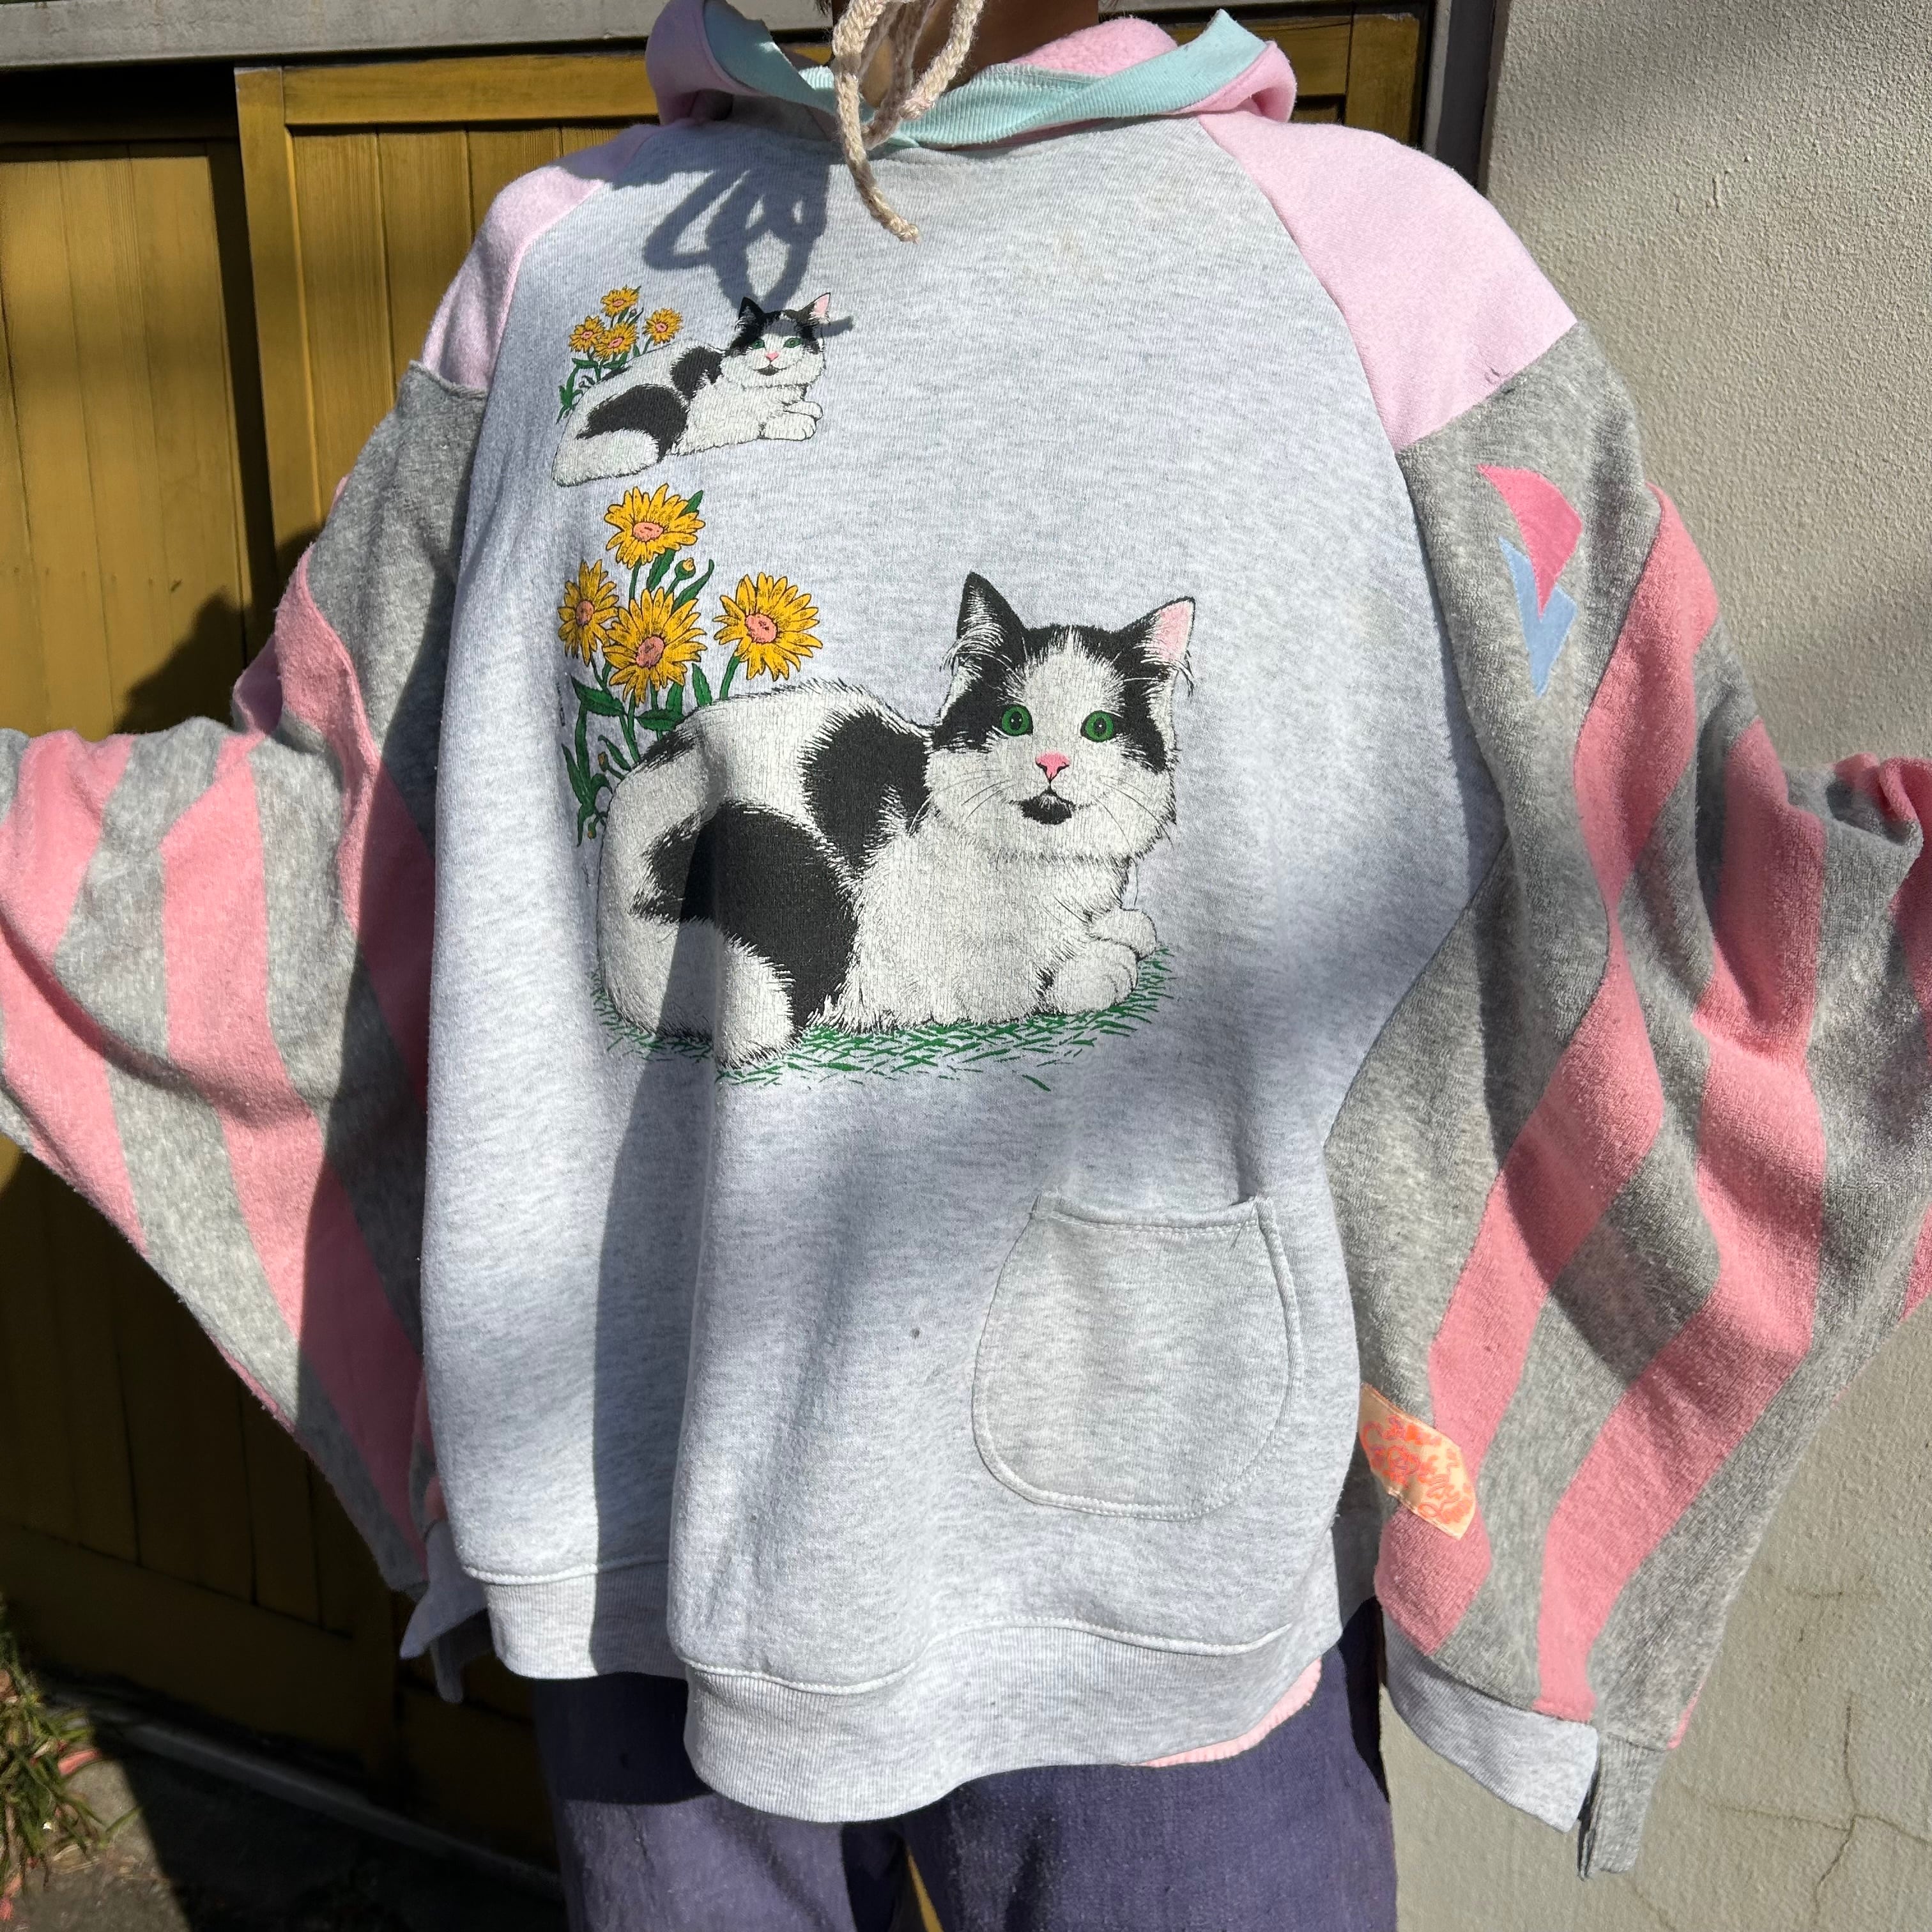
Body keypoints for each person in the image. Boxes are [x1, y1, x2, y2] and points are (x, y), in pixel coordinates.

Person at [1, 2, 1928, 1927]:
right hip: (653, 1530)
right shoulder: (556, 273)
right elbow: (326, 844)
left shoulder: (1389, 271)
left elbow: (1654, 862)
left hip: (1166, 1572)